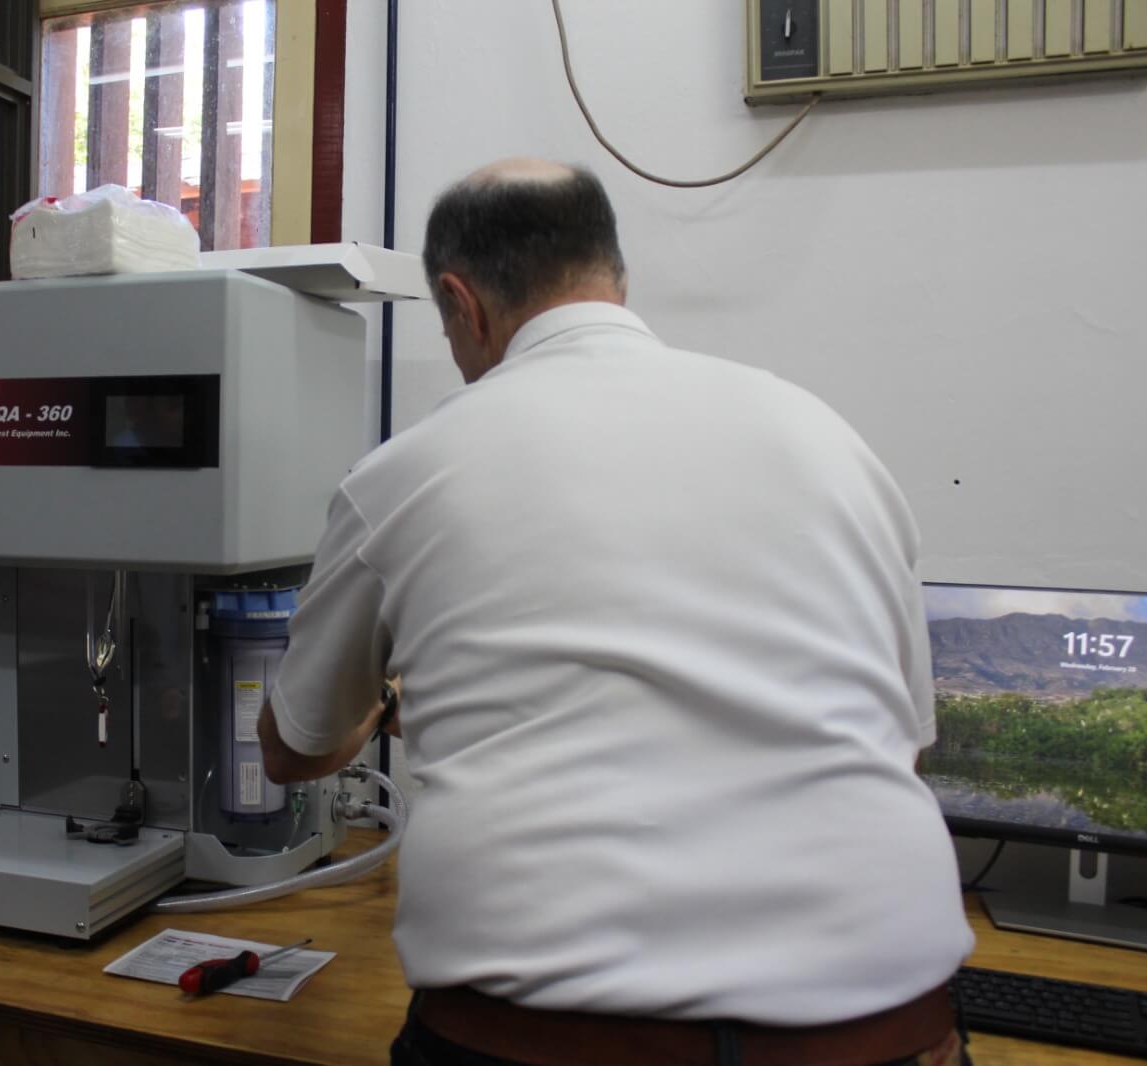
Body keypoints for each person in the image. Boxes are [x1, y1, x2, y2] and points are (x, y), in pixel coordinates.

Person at [257, 159, 974, 1066]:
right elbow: (905, 745)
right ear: (616, 278)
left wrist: (387, 703)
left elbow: (295, 749)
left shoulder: (405, 472)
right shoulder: (828, 439)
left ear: (462, 304)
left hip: (543, 1038)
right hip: (881, 1031)